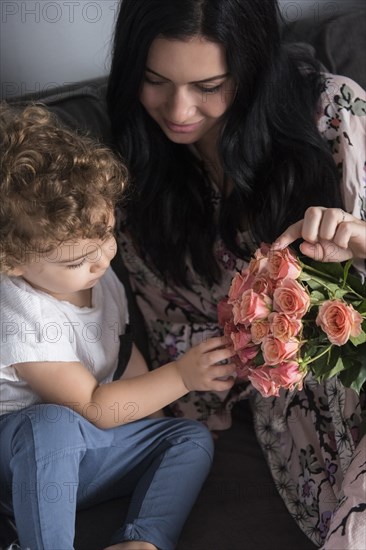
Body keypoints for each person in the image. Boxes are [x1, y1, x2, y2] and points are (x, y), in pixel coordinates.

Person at [106, 0, 366, 548]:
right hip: (298, 431)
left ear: (251, 70)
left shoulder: (333, 117)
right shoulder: (133, 182)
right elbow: (190, 371)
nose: (178, 109)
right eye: (155, 80)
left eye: (209, 85)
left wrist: (357, 241)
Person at [0, 103, 237, 550]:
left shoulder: (98, 273)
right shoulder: (17, 312)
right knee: (49, 424)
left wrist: (160, 415)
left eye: (107, 235)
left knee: (189, 438)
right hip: (21, 466)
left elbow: (122, 356)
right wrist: (181, 378)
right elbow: (91, 405)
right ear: (11, 262)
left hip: (87, 460)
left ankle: (142, 541)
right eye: (75, 260)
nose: (102, 259)